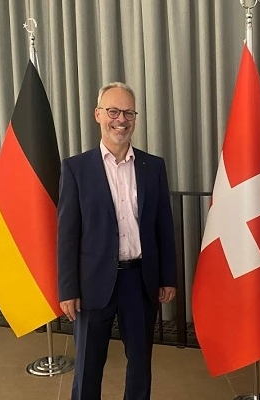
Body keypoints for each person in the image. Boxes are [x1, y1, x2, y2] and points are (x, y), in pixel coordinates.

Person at [57, 82, 177, 400]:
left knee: (140, 363)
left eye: (128, 112)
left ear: (135, 118)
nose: (120, 119)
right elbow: (67, 235)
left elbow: (164, 226)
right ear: (98, 115)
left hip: (140, 281)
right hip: (92, 283)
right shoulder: (76, 169)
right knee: (87, 366)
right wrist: (67, 289)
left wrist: (167, 277)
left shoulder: (154, 167)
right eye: (113, 111)